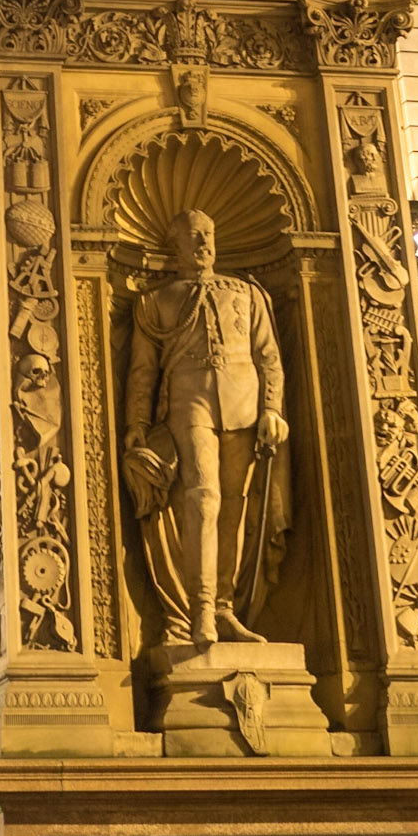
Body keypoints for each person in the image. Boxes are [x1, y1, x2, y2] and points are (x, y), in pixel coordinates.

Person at [124, 208, 289, 648]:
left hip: (244, 405)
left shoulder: (247, 294)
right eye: (194, 236)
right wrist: (137, 423)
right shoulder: (156, 300)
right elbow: (143, 371)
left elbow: (268, 356)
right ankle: (200, 610)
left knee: (236, 507)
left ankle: (224, 607)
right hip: (187, 399)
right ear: (175, 245)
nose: (204, 244)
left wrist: (272, 408)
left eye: (209, 234)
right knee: (203, 498)